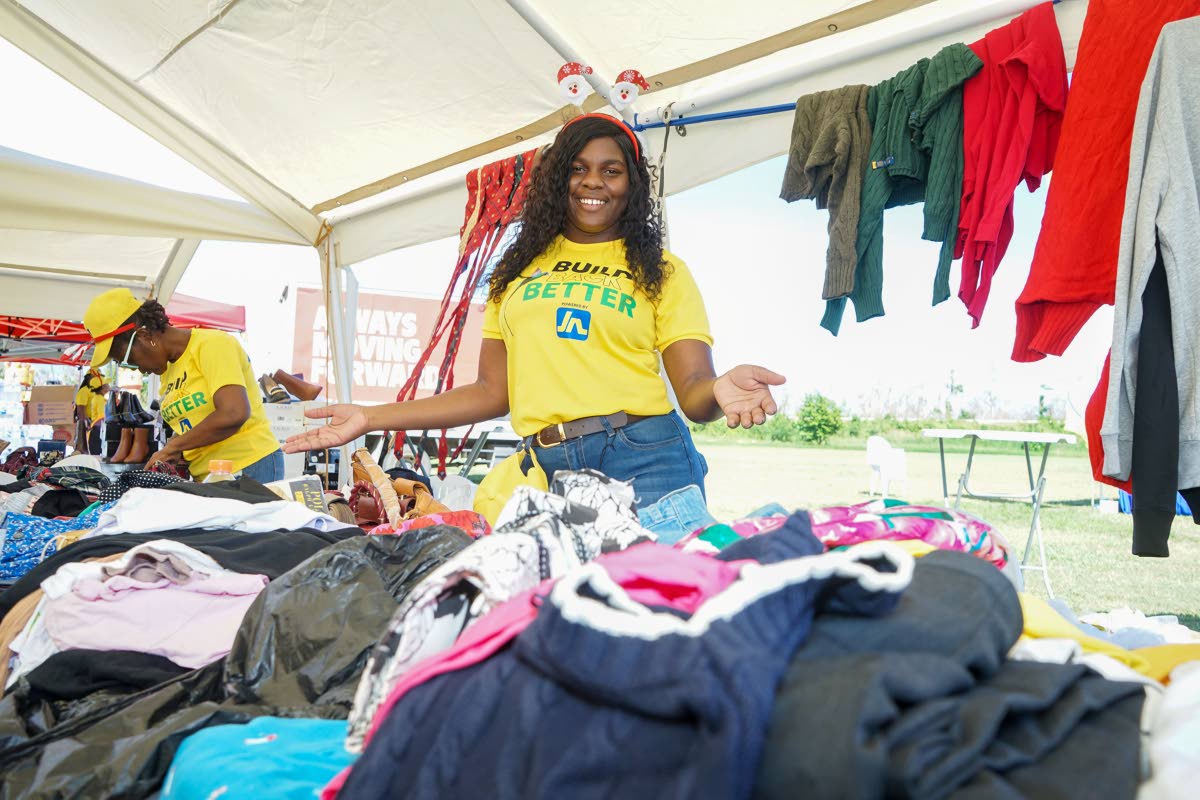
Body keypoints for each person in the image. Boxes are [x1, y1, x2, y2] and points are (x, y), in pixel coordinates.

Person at [284, 113, 783, 508]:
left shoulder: (662, 270)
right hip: (546, 466)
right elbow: (490, 392)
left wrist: (719, 390)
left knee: (655, 597)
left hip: (645, 457)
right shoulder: (517, 272)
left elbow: (693, 392)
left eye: (610, 171)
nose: (593, 183)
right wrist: (370, 417)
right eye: (577, 169)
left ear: (631, 184)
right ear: (555, 180)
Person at [82, 288, 284, 482]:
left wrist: (175, 446)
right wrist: (177, 451)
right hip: (210, 476)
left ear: (144, 336)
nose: (138, 370)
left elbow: (233, 412)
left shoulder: (213, 345)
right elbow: (194, 423)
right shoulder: (168, 372)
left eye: (129, 360)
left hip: (249, 466)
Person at [73, 368, 109, 455]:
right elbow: (80, 410)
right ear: (89, 377)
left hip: (96, 423)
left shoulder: (96, 391)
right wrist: (86, 424)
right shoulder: (84, 391)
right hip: (87, 424)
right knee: (85, 450)